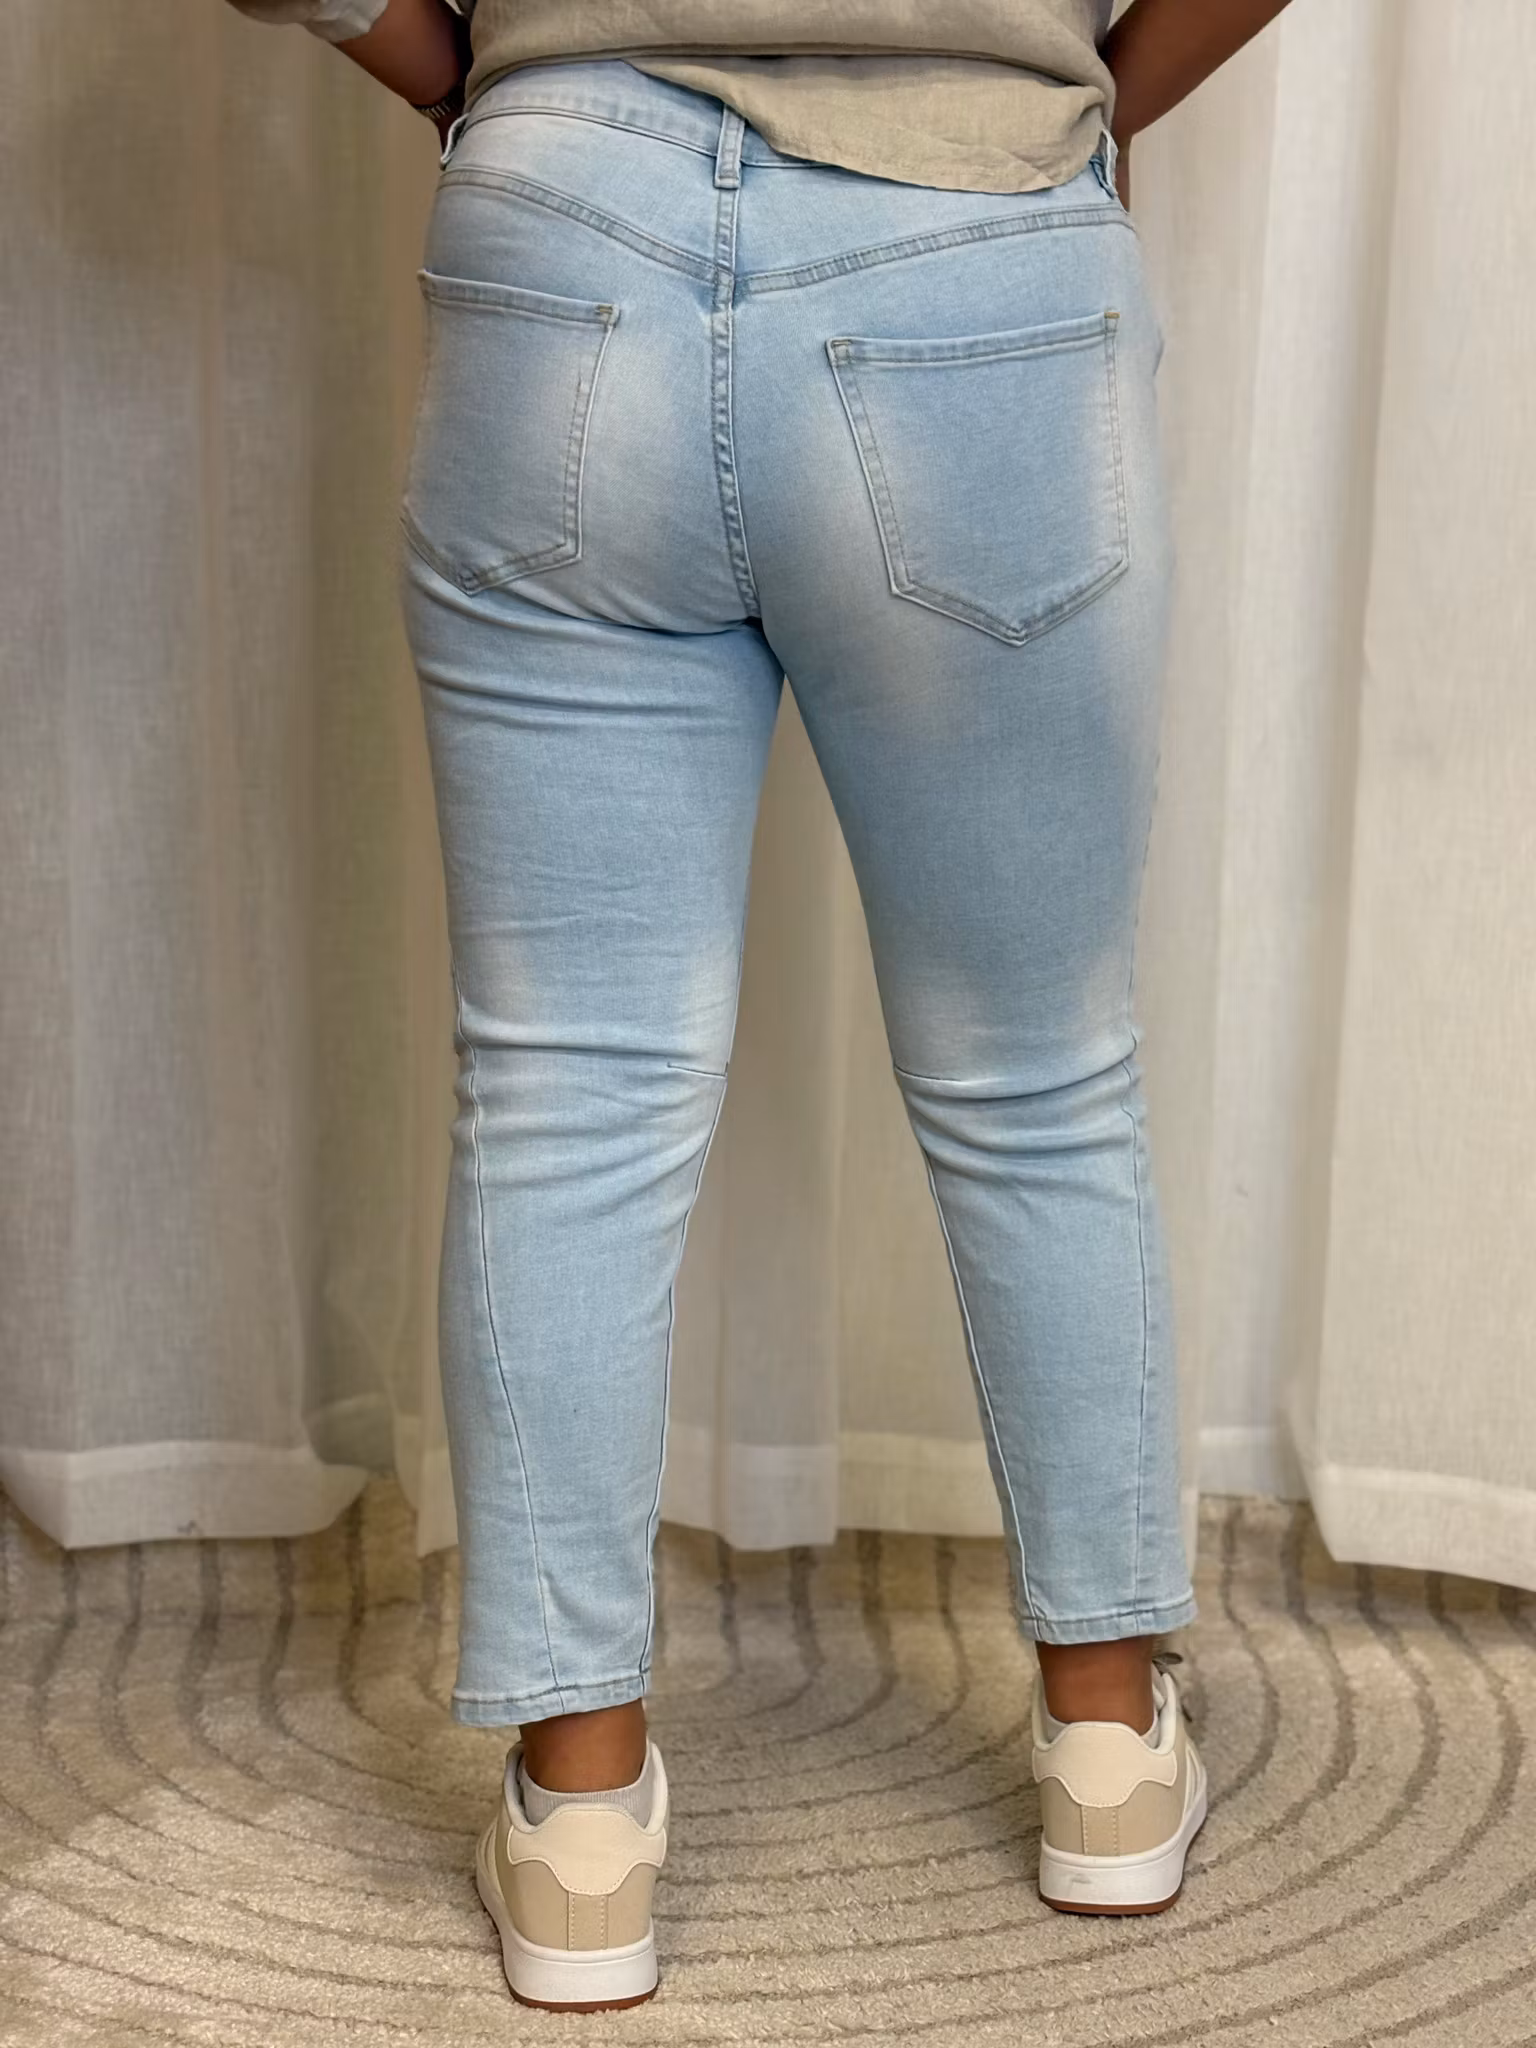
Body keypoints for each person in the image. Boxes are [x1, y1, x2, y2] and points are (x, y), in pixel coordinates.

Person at [228, 0, 1290, 2009]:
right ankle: (1107, 1752)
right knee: (1039, 1074)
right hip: (979, 238)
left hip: (567, 238)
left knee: (569, 1092)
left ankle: (582, 1826)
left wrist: (459, 69)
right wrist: (1066, 97)